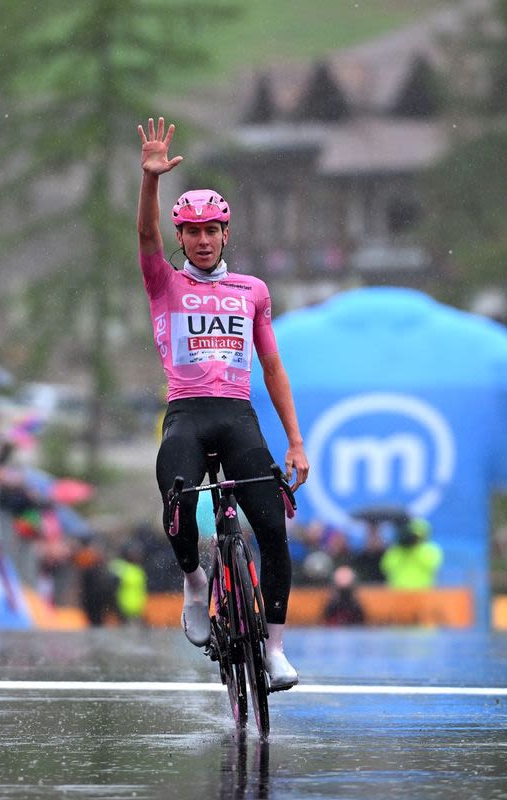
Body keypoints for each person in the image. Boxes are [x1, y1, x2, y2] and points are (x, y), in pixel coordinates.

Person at [137, 117, 310, 691]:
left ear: (225, 234)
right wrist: (150, 181)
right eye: (192, 232)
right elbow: (143, 239)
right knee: (178, 498)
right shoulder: (165, 283)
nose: (203, 240)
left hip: (238, 416)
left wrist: (296, 440)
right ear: (181, 238)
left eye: (212, 230)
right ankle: (193, 580)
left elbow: (274, 367)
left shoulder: (253, 291)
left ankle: (275, 649)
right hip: (187, 412)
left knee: (272, 531)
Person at [380, 518, 444, 590]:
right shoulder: (397, 549)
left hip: (423, 593)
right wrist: (402, 549)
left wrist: (414, 549)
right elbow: (386, 567)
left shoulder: (430, 549)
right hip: (398, 593)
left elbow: (432, 565)